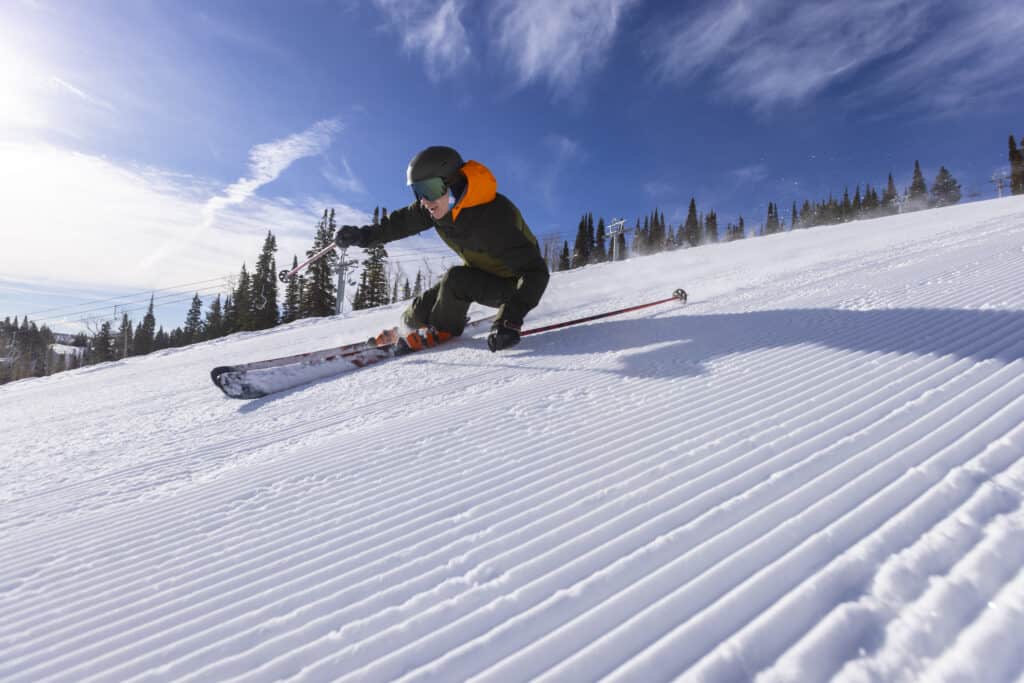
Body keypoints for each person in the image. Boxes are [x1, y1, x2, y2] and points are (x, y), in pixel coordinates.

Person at [335, 146, 550, 352]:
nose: (424, 200)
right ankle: (408, 330)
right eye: (418, 191)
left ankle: (440, 330)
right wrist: (361, 236)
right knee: (417, 312)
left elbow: (535, 272)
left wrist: (509, 320)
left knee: (456, 280)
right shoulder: (435, 207)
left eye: (429, 189)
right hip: (481, 274)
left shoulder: (494, 216)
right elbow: (396, 225)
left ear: (454, 184)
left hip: (514, 286)